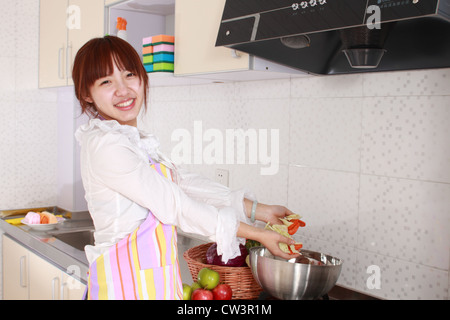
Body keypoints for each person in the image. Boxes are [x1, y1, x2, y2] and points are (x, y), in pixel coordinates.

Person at [72, 35, 299, 300]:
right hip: (121, 289)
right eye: (106, 81)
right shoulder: (106, 144)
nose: (123, 90)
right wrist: (257, 235)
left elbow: (181, 182)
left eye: (129, 75)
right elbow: (175, 204)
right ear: (87, 93)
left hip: (150, 285)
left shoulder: (131, 139)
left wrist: (261, 210)